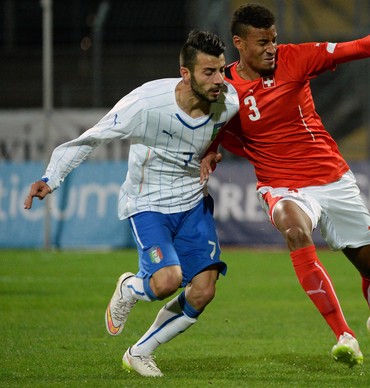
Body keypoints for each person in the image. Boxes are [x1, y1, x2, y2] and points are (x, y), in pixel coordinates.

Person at [202, 4, 370, 369]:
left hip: (331, 178)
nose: (271, 48)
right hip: (280, 185)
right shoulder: (226, 88)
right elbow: (213, 126)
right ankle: (344, 334)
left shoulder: (295, 58)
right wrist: (211, 152)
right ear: (239, 43)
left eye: (274, 39)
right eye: (262, 42)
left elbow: (356, 49)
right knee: (296, 232)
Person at [24, 30, 239, 377]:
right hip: (149, 204)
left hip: (192, 204)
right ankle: (129, 287)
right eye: (208, 73)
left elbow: (223, 133)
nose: (219, 81)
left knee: (203, 290)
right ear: (185, 74)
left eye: (221, 71)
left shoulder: (228, 103)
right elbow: (92, 137)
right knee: (167, 281)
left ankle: (140, 352)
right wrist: (51, 178)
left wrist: (213, 152)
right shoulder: (146, 104)